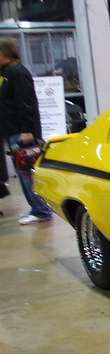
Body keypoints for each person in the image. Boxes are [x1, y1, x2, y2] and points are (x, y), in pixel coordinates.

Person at [0, 37, 50, 224]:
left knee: (27, 173)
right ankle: (35, 208)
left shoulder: (17, 72)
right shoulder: (6, 72)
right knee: (23, 173)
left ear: (4, 54)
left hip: (21, 132)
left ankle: (41, 211)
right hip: (13, 131)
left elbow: (25, 103)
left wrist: (27, 130)